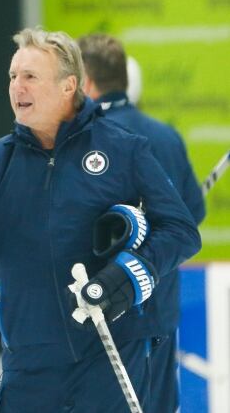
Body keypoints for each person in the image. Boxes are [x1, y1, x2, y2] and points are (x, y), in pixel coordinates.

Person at [0, 27, 201, 412]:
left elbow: (181, 230)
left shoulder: (122, 148)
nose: (17, 87)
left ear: (69, 86)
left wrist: (130, 274)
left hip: (110, 356)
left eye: (30, 76)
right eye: (13, 76)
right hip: (28, 366)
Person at [78, 33, 206, 413]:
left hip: (108, 311)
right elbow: (191, 217)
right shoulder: (166, 135)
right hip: (161, 307)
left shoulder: (87, 138)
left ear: (85, 79)